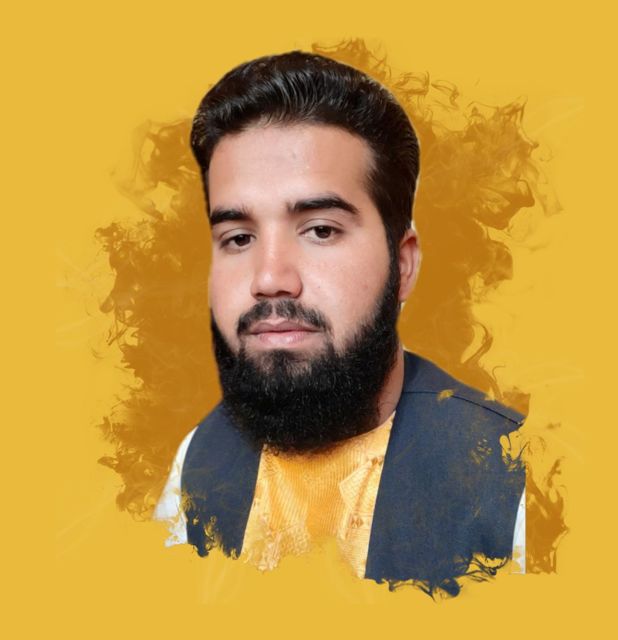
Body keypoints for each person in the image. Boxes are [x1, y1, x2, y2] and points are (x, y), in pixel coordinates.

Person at [154, 51, 526, 596]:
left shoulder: (517, 484)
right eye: (238, 237)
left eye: (321, 230)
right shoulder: (197, 460)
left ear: (403, 266)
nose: (270, 278)